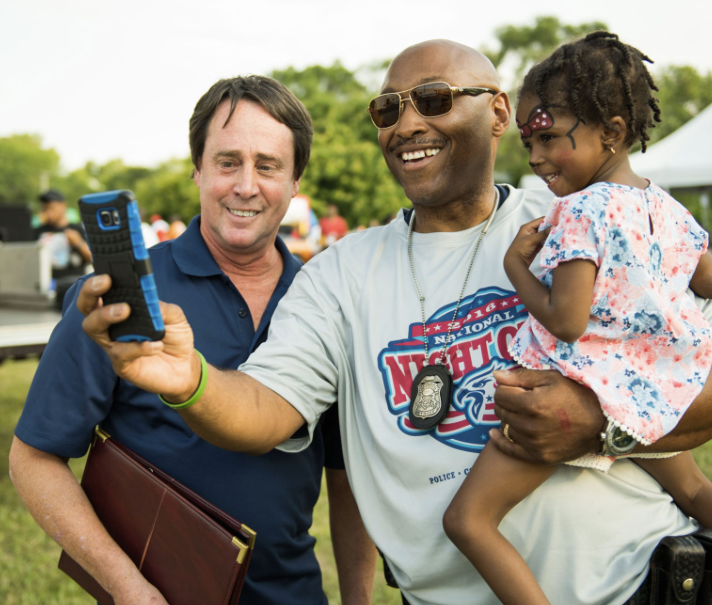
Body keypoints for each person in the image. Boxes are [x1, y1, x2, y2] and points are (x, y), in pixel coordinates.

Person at [76, 41, 712, 605]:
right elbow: (265, 408)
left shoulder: (576, 218)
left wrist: (600, 426)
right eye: (388, 110)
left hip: (647, 579)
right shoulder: (340, 274)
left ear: (496, 113)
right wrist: (189, 379)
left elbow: (692, 362)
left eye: (433, 99)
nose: (408, 124)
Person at [10, 76, 376, 605]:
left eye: (268, 166)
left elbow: (347, 477)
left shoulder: (326, 301)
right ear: (197, 170)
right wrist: (128, 587)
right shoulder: (123, 296)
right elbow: (35, 457)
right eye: (227, 162)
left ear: (296, 182)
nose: (246, 185)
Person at [443, 32, 712, 605]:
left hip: (573, 390)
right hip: (656, 394)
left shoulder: (580, 211)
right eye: (528, 141)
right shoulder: (667, 208)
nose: (535, 156)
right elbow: (708, 279)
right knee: (693, 491)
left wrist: (515, 265)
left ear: (611, 132)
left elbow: (566, 321)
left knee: (467, 521)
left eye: (547, 138)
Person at [35, 188, 92, 308]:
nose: (48, 213)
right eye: (45, 208)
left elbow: (93, 258)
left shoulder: (77, 230)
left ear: (63, 206)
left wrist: (78, 243)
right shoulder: (38, 231)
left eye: (52, 208)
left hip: (72, 288)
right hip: (43, 289)